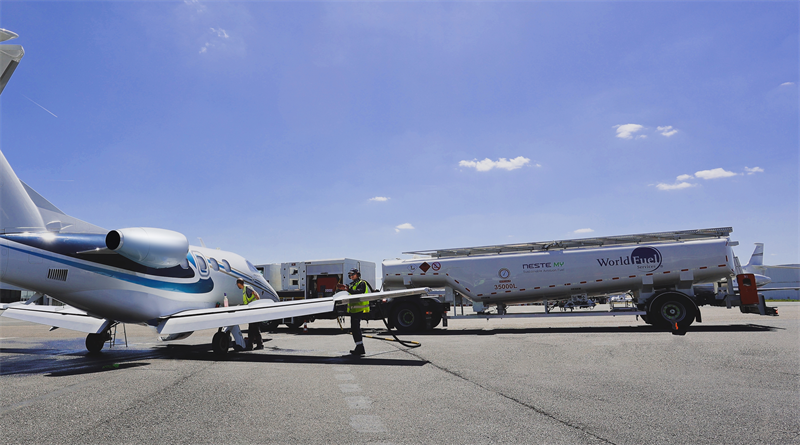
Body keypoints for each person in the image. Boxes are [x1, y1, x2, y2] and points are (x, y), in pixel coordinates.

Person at [337, 268, 370, 356]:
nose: (351, 276)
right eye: (350, 275)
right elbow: (350, 293)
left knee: (356, 329)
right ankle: (359, 347)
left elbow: (359, 292)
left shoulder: (362, 283)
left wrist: (348, 289)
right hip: (353, 310)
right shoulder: (352, 284)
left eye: (352, 274)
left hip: (358, 309)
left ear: (357, 275)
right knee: (354, 329)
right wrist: (343, 289)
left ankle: (360, 348)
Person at [236, 278, 263, 350]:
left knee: (255, 328)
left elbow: (256, 295)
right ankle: (250, 346)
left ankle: (259, 345)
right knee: (251, 329)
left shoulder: (247, 288)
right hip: (251, 311)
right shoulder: (244, 290)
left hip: (254, 311)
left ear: (239, 284)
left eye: (237, 285)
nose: (237, 286)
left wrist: (256, 304)